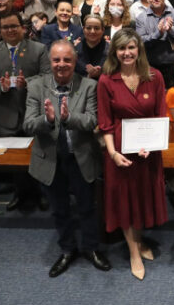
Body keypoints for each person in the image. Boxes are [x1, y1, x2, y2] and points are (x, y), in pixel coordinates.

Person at [23, 40, 111, 277]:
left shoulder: (89, 86)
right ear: (49, 61)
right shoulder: (36, 86)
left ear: (75, 61)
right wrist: (49, 120)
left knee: (87, 207)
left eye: (67, 60)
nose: (61, 64)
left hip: (80, 157)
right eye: (56, 60)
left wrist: (68, 118)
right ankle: (67, 250)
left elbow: (92, 120)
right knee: (59, 209)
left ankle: (91, 248)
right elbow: (28, 124)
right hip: (50, 159)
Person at [98, 28, 168, 281]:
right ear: (114, 52)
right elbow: (105, 123)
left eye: (131, 47)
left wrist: (153, 145)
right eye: (121, 48)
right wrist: (113, 153)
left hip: (148, 151)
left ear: (139, 49)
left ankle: (138, 239)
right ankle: (133, 252)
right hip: (120, 152)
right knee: (125, 200)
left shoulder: (155, 76)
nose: (126, 53)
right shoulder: (106, 80)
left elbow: (161, 115)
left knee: (141, 197)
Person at [0, 12, 50, 210]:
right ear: (0, 31)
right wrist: (0, 87)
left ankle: (41, 193)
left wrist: (27, 83)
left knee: (38, 154)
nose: (10, 30)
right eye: (5, 27)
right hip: (6, 112)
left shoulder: (39, 49)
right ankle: (20, 193)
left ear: (22, 28)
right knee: (13, 157)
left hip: (33, 112)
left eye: (14, 26)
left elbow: (47, 75)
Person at [75, 14, 110, 79]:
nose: (92, 31)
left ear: (103, 30)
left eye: (96, 28)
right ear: (83, 29)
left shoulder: (111, 51)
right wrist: (88, 75)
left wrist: (100, 73)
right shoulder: (74, 50)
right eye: (88, 28)